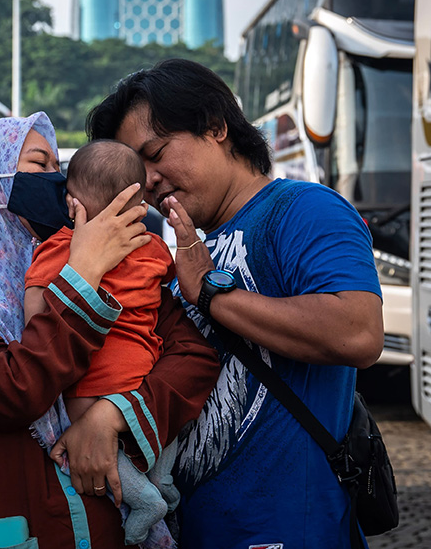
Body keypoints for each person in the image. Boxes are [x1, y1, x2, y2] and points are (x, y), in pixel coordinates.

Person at [86, 58, 384, 548]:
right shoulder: (190, 250)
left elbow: (358, 332)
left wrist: (208, 291)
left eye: (157, 152)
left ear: (216, 126)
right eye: (138, 169)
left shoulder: (305, 209)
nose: (150, 179)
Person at [0, 113, 219, 548]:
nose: (59, 180)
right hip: (19, 527)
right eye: (39, 164)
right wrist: (81, 274)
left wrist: (112, 416)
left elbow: (193, 358)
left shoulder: (112, 266)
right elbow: (9, 392)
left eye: (57, 166)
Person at [21, 140, 178, 545]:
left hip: (97, 372)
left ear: (72, 205)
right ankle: (162, 477)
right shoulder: (154, 248)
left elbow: (37, 312)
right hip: (145, 366)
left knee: (83, 422)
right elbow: (167, 287)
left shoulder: (58, 248)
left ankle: (145, 499)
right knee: (153, 422)